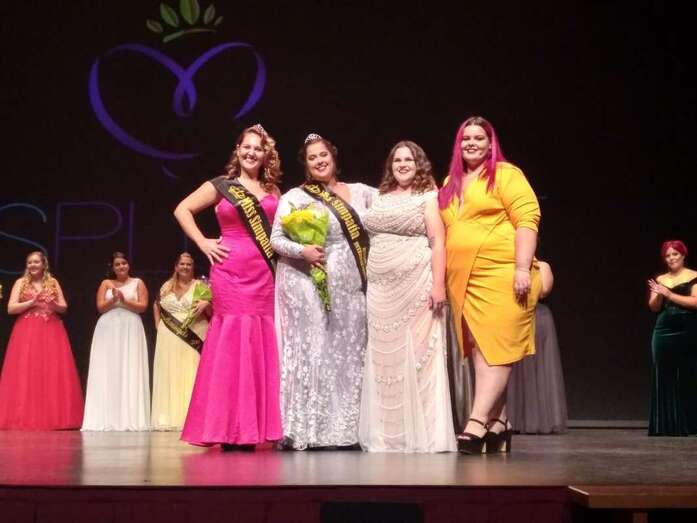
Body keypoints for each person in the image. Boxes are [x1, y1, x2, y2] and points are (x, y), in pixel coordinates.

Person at [174, 124, 282, 450]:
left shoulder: (274, 192)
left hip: (264, 274)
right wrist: (203, 242)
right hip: (230, 271)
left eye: (258, 149)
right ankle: (225, 427)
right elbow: (182, 209)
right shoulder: (221, 185)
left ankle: (253, 429)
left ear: (265, 155)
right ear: (237, 150)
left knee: (258, 341)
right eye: (246, 147)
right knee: (231, 344)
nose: (251, 153)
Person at [439, 116, 541, 454]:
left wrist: (522, 267)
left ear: (490, 143)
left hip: (500, 274)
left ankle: (477, 421)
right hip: (463, 282)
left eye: (478, 138)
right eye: (465, 138)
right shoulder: (450, 182)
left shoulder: (506, 174)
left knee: (498, 350)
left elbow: (527, 219)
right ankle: (499, 421)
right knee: (482, 352)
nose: (471, 143)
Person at [271, 133, 375, 450]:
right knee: (317, 353)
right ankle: (311, 429)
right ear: (306, 165)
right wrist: (302, 251)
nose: (319, 161)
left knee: (349, 354)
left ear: (333, 156)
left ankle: (345, 430)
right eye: (312, 157)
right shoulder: (296, 196)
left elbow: (395, 204)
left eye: (323, 155)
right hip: (312, 285)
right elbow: (276, 239)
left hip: (352, 286)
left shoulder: (362, 192)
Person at [358, 141, 456, 452]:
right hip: (380, 292)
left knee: (417, 357)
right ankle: (390, 435)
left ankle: (423, 434)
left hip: (416, 286)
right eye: (397, 160)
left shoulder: (428, 197)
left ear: (419, 164)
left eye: (409, 160)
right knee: (385, 361)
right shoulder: (379, 197)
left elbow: (438, 242)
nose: (402, 164)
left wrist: (438, 285)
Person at [0, 251, 83, 430]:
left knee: (51, 370)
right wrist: (32, 302)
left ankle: (53, 417)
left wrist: (53, 304)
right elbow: (11, 308)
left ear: (44, 264)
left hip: (51, 329)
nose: (32, 265)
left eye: (36, 262)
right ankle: (24, 417)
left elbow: (64, 307)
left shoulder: (52, 282)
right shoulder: (20, 283)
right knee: (27, 370)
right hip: (27, 330)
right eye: (29, 262)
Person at [81, 251, 150, 431]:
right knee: (108, 367)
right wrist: (114, 300)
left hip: (131, 326)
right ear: (112, 267)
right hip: (108, 328)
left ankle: (130, 417)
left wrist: (124, 300)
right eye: (117, 264)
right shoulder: (106, 283)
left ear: (129, 265)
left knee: (129, 365)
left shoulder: (138, 282)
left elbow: (143, 307)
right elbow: (100, 307)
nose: (121, 267)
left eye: (123, 263)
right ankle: (105, 416)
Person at [506, 260, 568, 433]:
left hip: (536, 317)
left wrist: (525, 277)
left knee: (538, 368)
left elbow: (544, 291)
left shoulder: (542, 266)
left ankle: (537, 421)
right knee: (510, 369)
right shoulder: (503, 264)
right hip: (510, 317)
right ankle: (510, 419)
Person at [151, 252, 210, 431]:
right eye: (182, 264)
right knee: (169, 374)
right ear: (176, 266)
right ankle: (167, 417)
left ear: (193, 267)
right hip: (168, 336)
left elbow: (211, 313)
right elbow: (156, 305)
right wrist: (158, 325)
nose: (185, 267)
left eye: (189, 264)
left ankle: (190, 418)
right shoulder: (166, 286)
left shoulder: (200, 285)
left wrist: (208, 304)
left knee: (190, 373)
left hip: (192, 336)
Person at [647, 239, 697, 436]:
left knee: (688, 375)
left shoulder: (694, 276)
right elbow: (653, 307)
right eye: (667, 255)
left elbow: (695, 302)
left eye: (675, 254)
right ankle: (666, 425)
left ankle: (689, 424)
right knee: (664, 375)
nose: (671, 258)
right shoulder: (660, 279)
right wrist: (659, 294)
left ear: (683, 255)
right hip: (663, 332)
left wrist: (669, 294)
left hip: (688, 332)